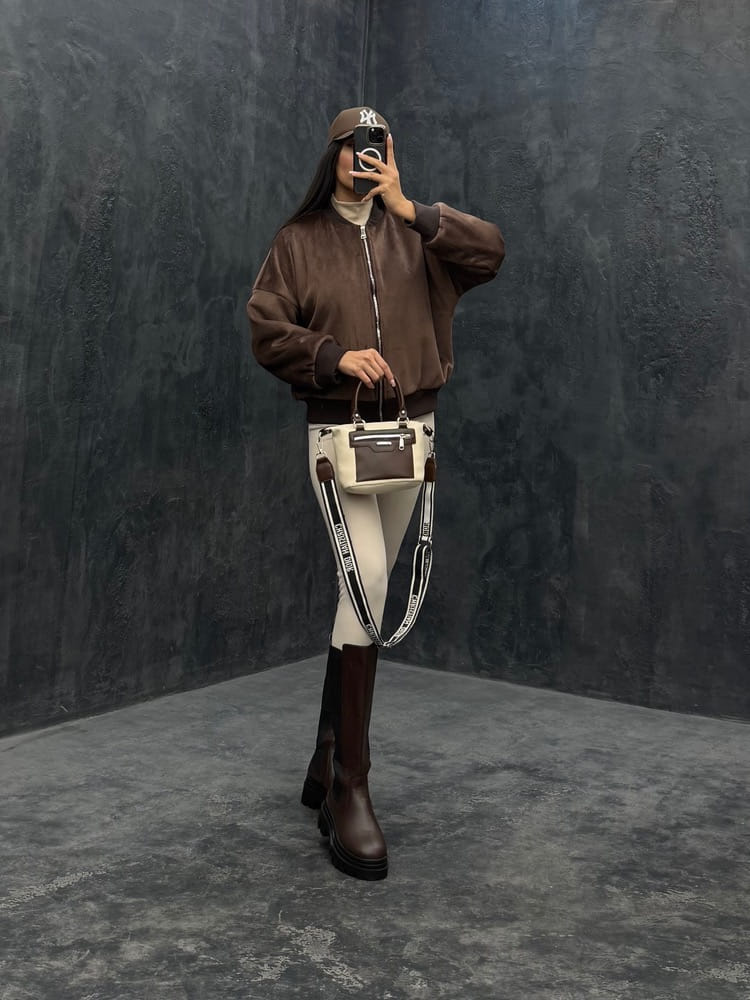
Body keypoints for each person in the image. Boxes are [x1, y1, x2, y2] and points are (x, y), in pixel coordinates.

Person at [247, 106, 505, 881]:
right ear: (332, 154)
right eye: (354, 147)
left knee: (369, 590)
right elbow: (266, 327)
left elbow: (491, 253)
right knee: (366, 589)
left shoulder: (416, 233)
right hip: (340, 439)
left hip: (413, 436)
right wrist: (332, 356)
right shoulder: (298, 241)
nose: (366, 157)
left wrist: (411, 207)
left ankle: (327, 756)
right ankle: (350, 789)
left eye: (379, 145)